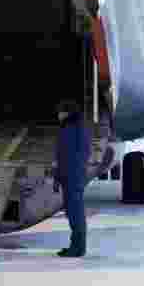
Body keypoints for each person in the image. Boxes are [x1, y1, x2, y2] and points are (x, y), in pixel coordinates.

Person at [53, 99, 92, 257]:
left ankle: (77, 248)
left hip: (71, 176)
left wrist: (58, 176)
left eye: (61, 111)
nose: (58, 115)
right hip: (75, 175)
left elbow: (64, 156)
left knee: (74, 212)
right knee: (75, 212)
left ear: (67, 113)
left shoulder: (69, 129)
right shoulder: (80, 128)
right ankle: (77, 246)